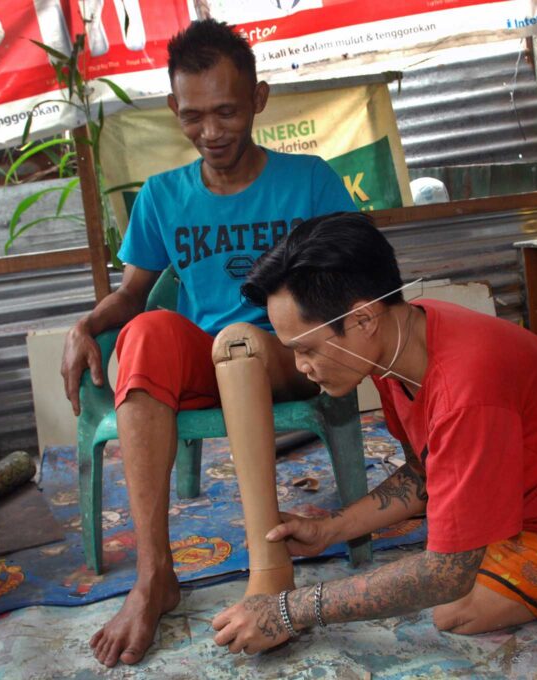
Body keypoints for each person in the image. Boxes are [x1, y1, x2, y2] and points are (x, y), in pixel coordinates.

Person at [59, 19, 354, 667]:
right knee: (141, 335)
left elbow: (354, 280)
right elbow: (134, 294)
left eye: (226, 111)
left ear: (258, 98)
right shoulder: (164, 197)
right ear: (172, 109)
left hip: (289, 353)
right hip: (210, 354)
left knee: (243, 340)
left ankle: (268, 567)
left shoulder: (309, 181)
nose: (211, 131)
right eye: (193, 116)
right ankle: (153, 574)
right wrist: (87, 325)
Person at [211, 211, 537, 654]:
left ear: (362, 319)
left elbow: (445, 573)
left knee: (455, 608)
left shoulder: (465, 388)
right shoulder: (395, 345)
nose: (301, 367)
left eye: (306, 348)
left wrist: (290, 610)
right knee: (434, 571)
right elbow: (425, 470)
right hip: (514, 503)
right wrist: (331, 530)